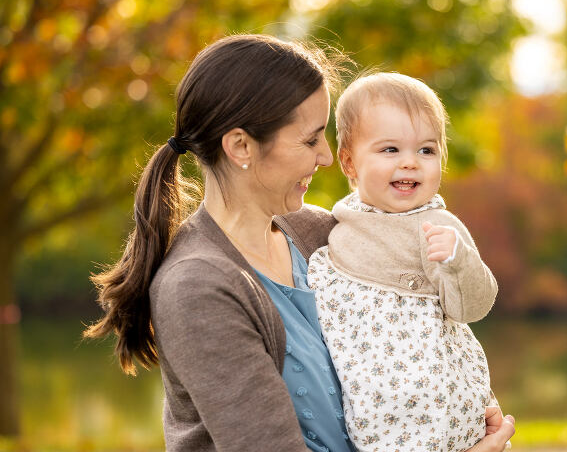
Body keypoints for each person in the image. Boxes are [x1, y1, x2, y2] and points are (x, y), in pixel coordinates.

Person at [85, 34, 515, 451]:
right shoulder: (196, 288)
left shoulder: (321, 235)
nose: (328, 157)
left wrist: (461, 412)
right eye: (311, 139)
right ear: (240, 146)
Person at [306, 72, 501, 451]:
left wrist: (458, 261)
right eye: (390, 150)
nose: (410, 163)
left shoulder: (438, 227)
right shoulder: (337, 223)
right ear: (348, 163)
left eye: (426, 150)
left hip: (433, 396)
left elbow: (473, 307)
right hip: (370, 402)